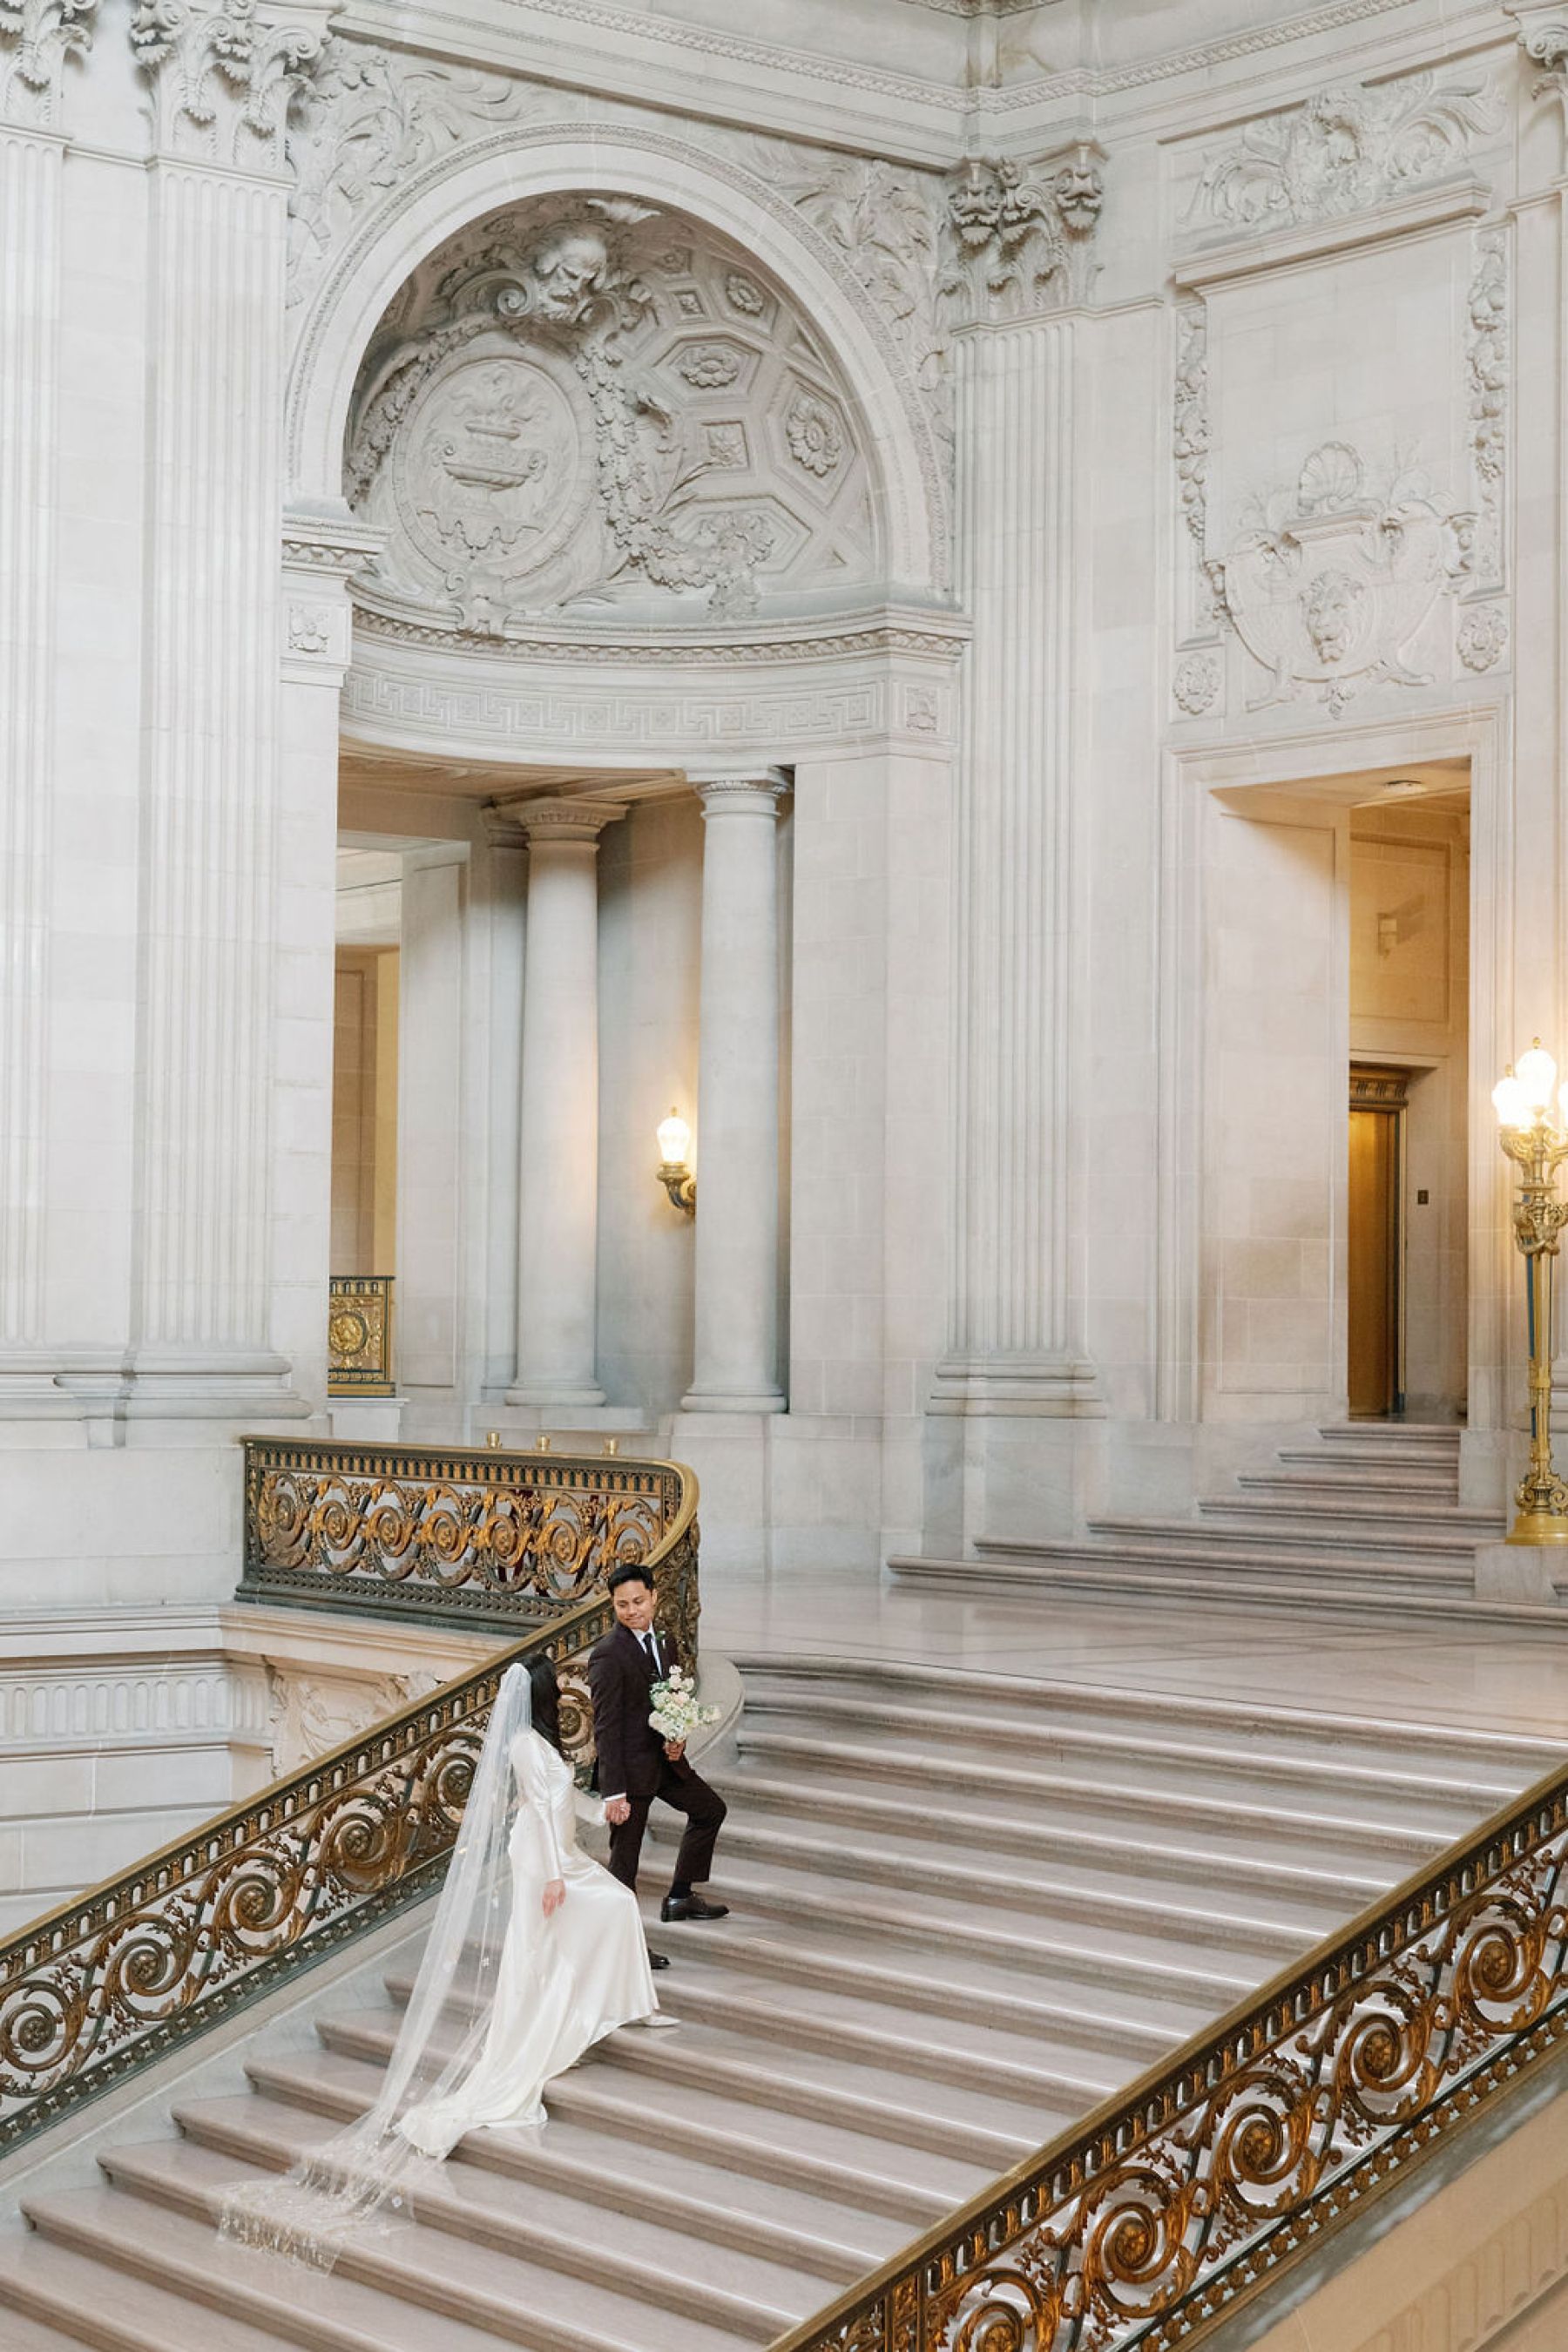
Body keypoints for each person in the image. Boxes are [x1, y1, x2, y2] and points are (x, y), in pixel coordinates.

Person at [220, 1654, 663, 2268]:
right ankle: (573, 2013)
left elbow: (561, 1803)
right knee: (598, 1915)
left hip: (559, 1857)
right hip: (544, 1864)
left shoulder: (542, 1745)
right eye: (555, 1688)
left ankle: (605, 2002)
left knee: (611, 1909)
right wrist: (555, 1878)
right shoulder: (525, 1750)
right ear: (540, 1695)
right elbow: (536, 1815)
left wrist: (599, 1812)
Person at [589, 1562, 729, 1970]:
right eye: (622, 1605)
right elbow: (606, 1728)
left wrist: (678, 1736)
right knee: (624, 1866)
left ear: (654, 1597)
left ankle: (681, 1895)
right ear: (612, 1606)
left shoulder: (663, 1640)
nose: (631, 1611)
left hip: (664, 1760)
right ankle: (624, 1947)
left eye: (637, 1601)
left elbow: (671, 1700)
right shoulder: (607, 1656)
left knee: (710, 1810)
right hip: (630, 1774)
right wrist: (613, 1793)